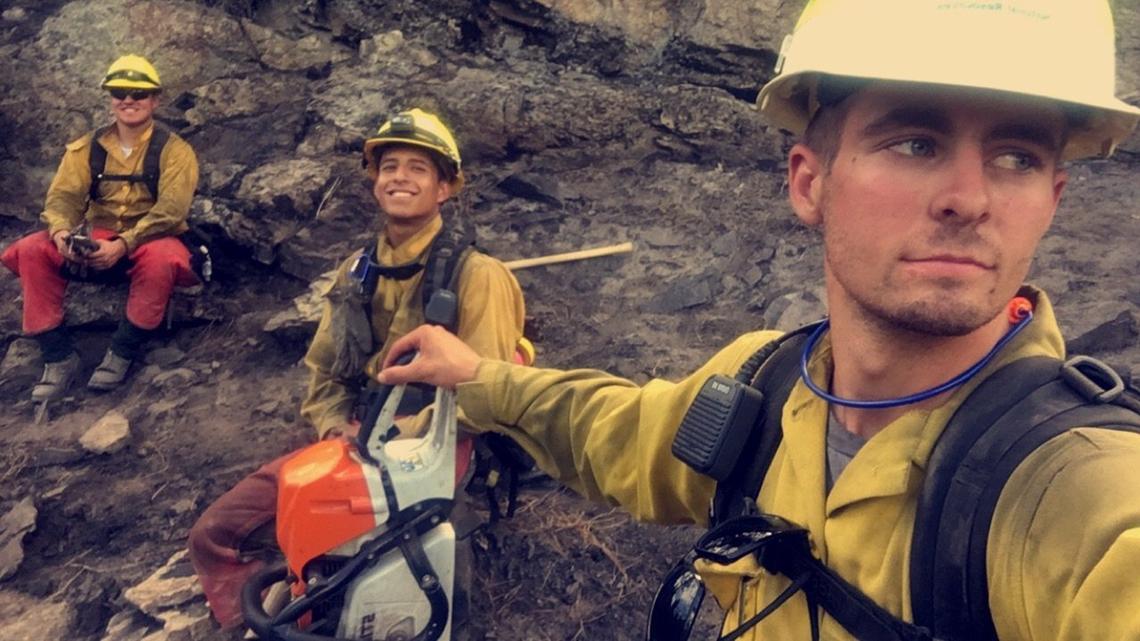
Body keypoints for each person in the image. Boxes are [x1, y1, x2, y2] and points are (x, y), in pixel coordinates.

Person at [378, 1, 1140, 639]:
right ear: (810, 183)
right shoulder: (766, 389)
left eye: (1017, 159)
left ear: (1054, 199)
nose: (970, 198)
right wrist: (477, 375)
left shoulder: (1077, 495)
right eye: (915, 142)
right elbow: (610, 427)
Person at [187, 108, 527, 630]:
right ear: (375, 182)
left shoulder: (480, 276)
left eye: (419, 168)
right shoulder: (357, 270)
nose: (400, 177)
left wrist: (389, 439)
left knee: (400, 556)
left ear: (445, 188)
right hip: (353, 434)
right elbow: (325, 370)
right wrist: (334, 427)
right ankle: (264, 617)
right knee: (215, 534)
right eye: (390, 166)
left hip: (436, 439)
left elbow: (487, 395)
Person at [1, 54, 200, 398]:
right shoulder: (85, 148)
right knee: (32, 249)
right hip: (97, 234)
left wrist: (124, 244)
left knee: (163, 259)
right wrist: (62, 234)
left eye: (138, 94)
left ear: (155, 100)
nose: (128, 100)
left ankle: (122, 351)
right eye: (119, 92)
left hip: (149, 237)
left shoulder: (175, 152)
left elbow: (171, 211)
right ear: (110, 98)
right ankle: (58, 356)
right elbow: (62, 198)